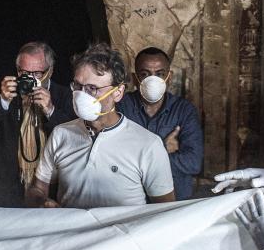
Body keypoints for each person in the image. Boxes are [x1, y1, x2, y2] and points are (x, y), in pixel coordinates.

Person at [25, 44, 174, 209]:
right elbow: (37, 189)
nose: (81, 95)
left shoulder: (148, 145)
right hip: (71, 232)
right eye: (77, 86)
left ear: (118, 93)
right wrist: (42, 202)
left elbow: (165, 211)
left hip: (121, 234)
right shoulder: (61, 134)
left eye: (92, 88)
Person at [0, 41, 75, 206]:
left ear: (50, 71)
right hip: (10, 194)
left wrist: (50, 111)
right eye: (24, 72)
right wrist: (2, 101)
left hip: (53, 193)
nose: (29, 78)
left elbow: (76, 142)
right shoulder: (6, 95)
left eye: (37, 73)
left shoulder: (65, 96)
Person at [115, 47, 203, 200]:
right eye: (145, 74)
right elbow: (112, 158)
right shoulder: (121, 107)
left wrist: (139, 160)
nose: (153, 80)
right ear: (135, 79)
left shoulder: (184, 110)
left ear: (169, 78)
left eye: (160, 74)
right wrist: (163, 149)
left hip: (174, 202)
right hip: (131, 202)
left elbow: (193, 163)